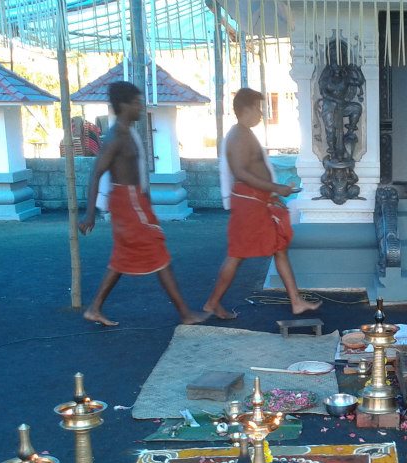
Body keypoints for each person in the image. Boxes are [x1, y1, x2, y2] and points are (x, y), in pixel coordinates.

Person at [78, 81, 207, 327]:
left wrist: (144, 200)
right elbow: (96, 174)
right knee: (158, 251)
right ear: (124, 105)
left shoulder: (128, 132)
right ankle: (185, 313)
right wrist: (90, 214)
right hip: (127, 202)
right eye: (137, 103)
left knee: (122, 258)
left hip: (135, 201)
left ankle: (94, 308)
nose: (141, 107)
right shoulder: (116, 137)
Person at [204, 88, 321, 319]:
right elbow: (241, 172)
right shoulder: (238, 135)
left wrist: (273, 192)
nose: (261, 113)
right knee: (237, 254)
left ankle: (296, 301)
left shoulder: (246, 133)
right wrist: (276, 188)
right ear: (245, 109)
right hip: (248, 202)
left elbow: (255, 170)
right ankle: (212, 302)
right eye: (258, 108)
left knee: (279, 248)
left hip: (260, 200)